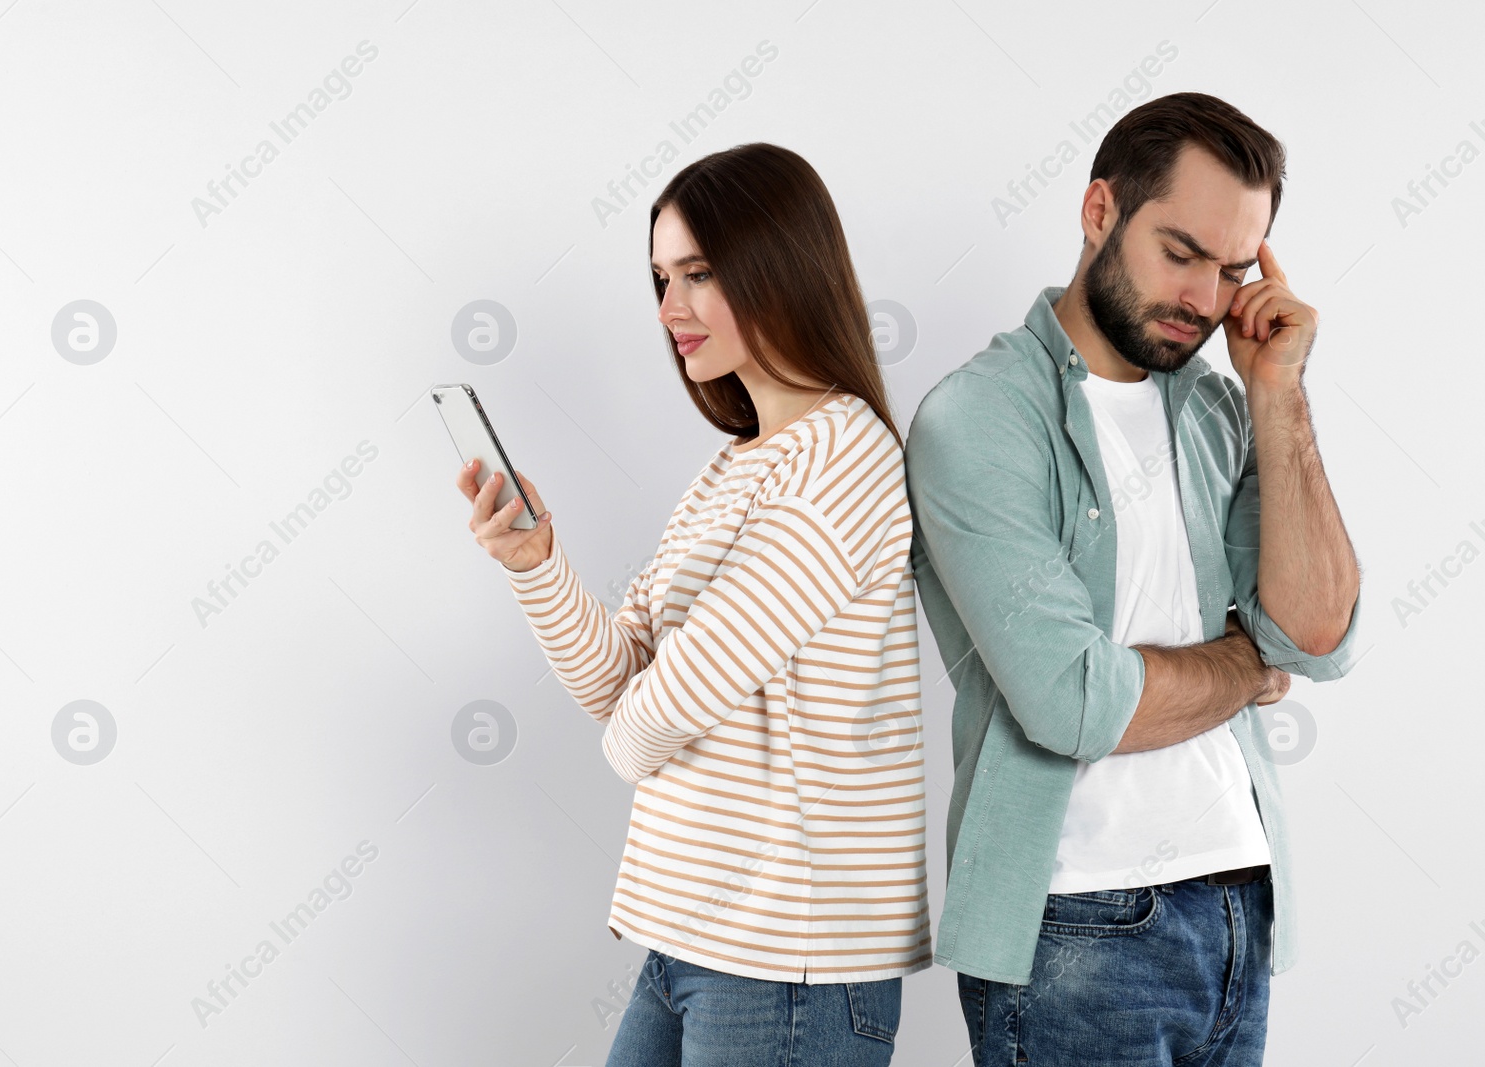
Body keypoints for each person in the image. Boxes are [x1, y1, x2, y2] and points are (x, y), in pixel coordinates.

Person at [905, 92, 1362, 1064]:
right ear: (1098, 212)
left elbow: (1317, 633)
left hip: (1240, 896)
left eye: (1232, 268)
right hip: (1077, 918)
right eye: (1180, 251)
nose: (1204, 297)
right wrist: (1248, 664)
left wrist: (1277, 393)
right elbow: (1075, 700)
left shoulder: (1216, 410)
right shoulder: (976, 418)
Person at [456, 142, 929, 1065]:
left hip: (789, 957)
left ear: (779, 265)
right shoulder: (736, 466)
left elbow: (658, 711)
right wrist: (535, 563)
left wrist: (637, 730)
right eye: (661, 278)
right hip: (695, 937)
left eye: (700, 273)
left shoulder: (841, 456)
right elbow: (625, 681)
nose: (671, 309)